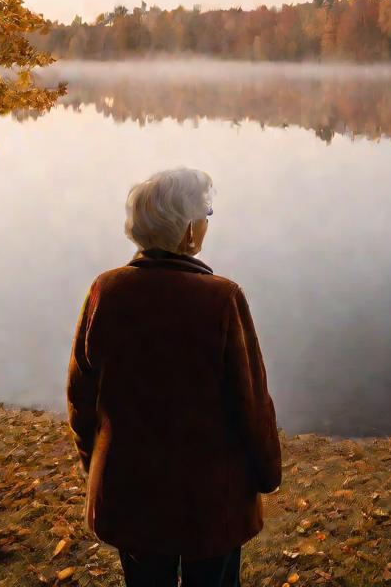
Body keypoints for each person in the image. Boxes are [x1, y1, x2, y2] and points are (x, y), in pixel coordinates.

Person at [67, 167, 282, 587]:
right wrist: (267, 473)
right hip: (209, 497)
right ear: (188, 231)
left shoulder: (104, 291)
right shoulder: (222, 298)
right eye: (206, 214)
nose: (206, 223)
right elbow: (251, 402)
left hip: (130, 488)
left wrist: (94, 465)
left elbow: (81, 393)